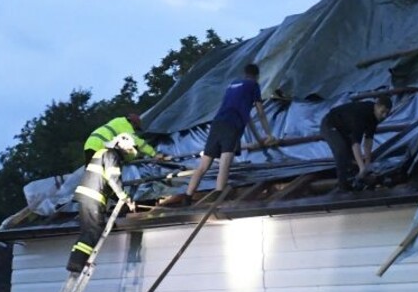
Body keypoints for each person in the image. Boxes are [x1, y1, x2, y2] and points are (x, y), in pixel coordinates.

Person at [171, 63, 276, 204]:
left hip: (217, 124)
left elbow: (248, 117)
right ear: (257, 76)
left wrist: (259, 139)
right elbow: (260, 112)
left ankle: (188, 197)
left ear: (245, 73)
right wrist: (269, 134)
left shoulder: (233, 84)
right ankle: (219, 194)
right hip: (232, 126)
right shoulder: (253, 85)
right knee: (225, 162)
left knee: (203, 166)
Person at [67, 132, 139, 273]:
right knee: (94, 230)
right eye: (129, 150)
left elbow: (106, 181)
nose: (128, 154)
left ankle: (76, 260)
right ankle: (77, 263)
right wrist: (124, 197)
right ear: (121, 145)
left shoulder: (103, 153)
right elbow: (113, 179)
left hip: (86, 195)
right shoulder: (112, 155)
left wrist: (118, 197)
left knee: (87, 231)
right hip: (93, 196)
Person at [320, 94, 392, 191]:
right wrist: (362, 167)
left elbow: (368, 141)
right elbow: (356, 143)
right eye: (382, 112)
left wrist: (367, 163)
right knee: (341, 149)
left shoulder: (374, 118)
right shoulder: (361, 114)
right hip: (329, 124)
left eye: (387, 113)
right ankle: (342, 186)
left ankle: (354, 180)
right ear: (376, 106)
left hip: (343, 129)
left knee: (351, 156)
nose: (384, 116)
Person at [82, 113, 163, 165]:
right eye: (135, 128)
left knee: (92, 174)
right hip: (101, 144)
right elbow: (138, 142)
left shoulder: (117, 121)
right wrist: (154, 154)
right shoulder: (126, 126)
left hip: (90, 143)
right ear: (132, 123)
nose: (134, 130)